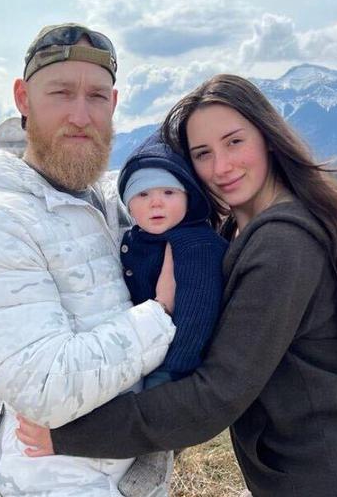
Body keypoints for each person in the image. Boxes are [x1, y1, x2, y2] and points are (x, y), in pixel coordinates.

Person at [16, 74, 337, 497]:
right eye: (203, 154)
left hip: (332, 479)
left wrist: (68, 433)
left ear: (268, 138)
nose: (221, 167)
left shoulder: (283, 245)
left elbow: (217, 395)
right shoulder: (235, 233)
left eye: (234, 142)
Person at [0, 23, 177, 497]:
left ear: (114, 102)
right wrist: (161, 315)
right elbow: (45, 388)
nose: (81, 116)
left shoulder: (108, 200)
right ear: (23, 99)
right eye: (61, 93)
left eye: (97, 96)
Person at [115, 135, 228, 496]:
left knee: (154, 408)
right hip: (146, 343)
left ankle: (156, 453)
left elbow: (198, 310)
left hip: (175, 355)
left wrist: (173, 364)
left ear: (188, 197)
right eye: (142, 195)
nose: (156, 203)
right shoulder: (140, 237)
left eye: (168, 193)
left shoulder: (195, 245)